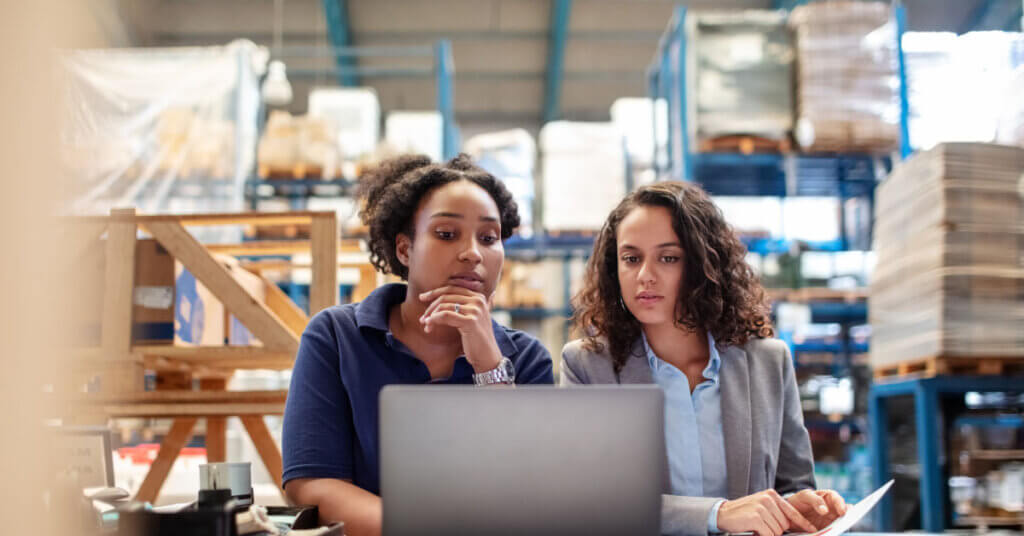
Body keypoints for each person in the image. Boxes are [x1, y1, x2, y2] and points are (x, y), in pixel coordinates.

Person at [282, 154, 554, 536]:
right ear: (405, 249)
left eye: (489, 238)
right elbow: (310, 482)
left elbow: (531, 492)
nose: (472, 252)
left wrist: (488, 365)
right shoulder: (335, 337)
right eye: (446, 234)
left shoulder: (527, 359)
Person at [560, 181, 848, 536]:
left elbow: (793, 484)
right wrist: (718, 514)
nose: (645, 275)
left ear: (702, 265)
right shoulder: (588, 367)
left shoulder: (769, 363)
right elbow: (593, 504)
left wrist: (804, 510)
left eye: (668, 258)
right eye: (631, 259)